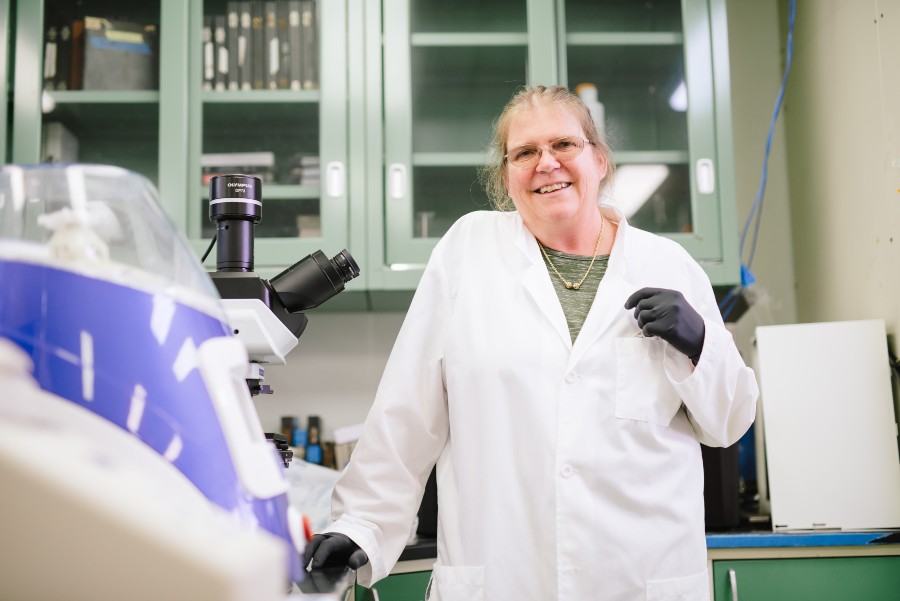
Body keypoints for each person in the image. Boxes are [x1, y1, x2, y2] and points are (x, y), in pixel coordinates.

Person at [304, 85, 759, 601]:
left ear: (600, 160)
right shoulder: (467, 251)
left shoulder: (669, 264)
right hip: (505, 576)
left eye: (564, 144)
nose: (546, 163)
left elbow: (729, 421)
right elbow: (407, 411)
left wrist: (700, 344)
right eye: (524, 152)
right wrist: (361, 523)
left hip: (639, 576)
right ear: (506, 177)